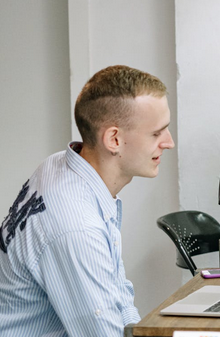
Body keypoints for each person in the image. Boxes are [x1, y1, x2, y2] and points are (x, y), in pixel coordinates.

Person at [0, 65, 175, 337]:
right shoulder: (76, 227)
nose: (169, 142)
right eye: (157, 133)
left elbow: (117, 293)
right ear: (114, 139)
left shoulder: (60, 164)